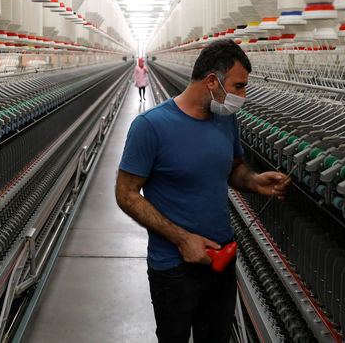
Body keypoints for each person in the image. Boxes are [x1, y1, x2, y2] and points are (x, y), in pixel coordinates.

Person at [115, 39, 291, 343]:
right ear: (212, 81)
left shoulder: (226, 120)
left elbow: (234, 170)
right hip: (173, 267)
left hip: (222, 258)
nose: (242, 96)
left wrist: (255, 181)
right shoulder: (151, 126)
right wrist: (183, 240)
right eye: (238, 86)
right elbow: (126, 194)